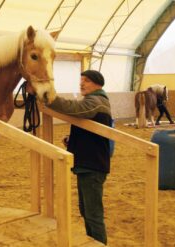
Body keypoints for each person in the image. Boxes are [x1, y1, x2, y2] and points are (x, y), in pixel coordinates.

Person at [47, 70, 112, 245]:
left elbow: (74, 108)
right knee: (86, 212)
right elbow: (91, 132)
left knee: (93, 214)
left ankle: (99, 244)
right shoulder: (94, 101)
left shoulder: (96, 101)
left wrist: (48, 97)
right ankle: (93, 243)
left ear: (98, 84)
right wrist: (73, 142)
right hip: (88, 163)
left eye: (87, 81)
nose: (82, 84)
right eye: (81, 80)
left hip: (92, 166)